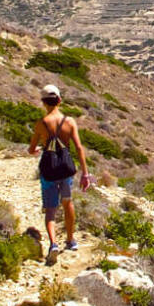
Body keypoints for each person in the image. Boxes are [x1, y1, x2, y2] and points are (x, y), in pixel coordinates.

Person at [27, 84, 91, 260]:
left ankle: (53, 244)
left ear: (43, 102)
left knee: (50, 210)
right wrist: (85, 174)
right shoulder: (69, 122)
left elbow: (31, 149)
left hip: (48, 169)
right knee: (67, 203)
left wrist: (39, 149)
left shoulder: (41, 124)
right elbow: (78, 148)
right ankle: (70, 241)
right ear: (59, 100)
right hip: (65, 169)